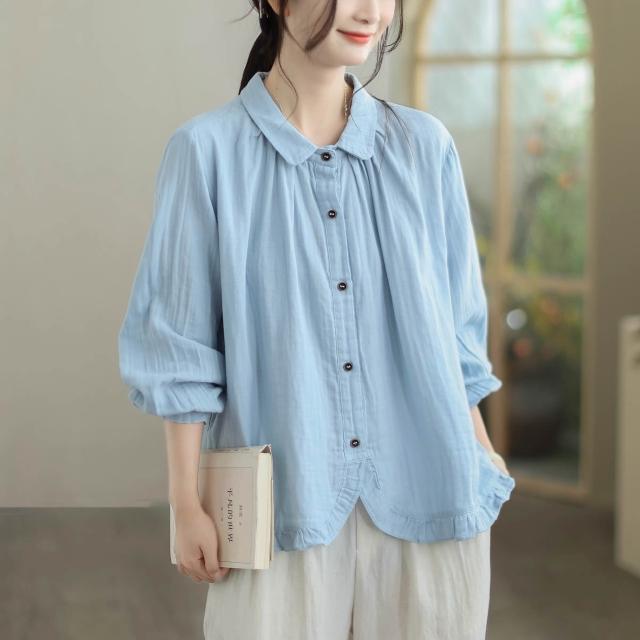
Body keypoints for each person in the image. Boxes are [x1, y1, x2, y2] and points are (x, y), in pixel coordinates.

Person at [117, 0, 517, 638]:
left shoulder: (424, 147)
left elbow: (456, 332)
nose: (371, 11)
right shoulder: (207, 152)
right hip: (281, 506)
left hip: (434, 488)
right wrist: (186, 504)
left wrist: (483, 456)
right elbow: (180, 346)